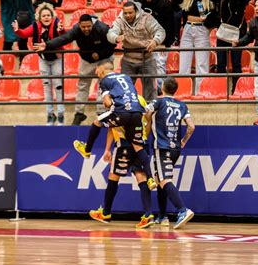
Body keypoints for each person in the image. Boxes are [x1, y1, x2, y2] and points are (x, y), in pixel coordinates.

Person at [73, 59, 157, 190]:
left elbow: (107, 102)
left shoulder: (105, 81)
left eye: (97, 69)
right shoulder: (126, 76)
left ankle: (87, 150)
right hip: (136, 112)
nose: (96, 72)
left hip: (121, 112)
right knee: (138, 146)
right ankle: (151, 178)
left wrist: (110, 103)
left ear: (103, 69)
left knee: (97, 122)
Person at [33, 14, 116, 125]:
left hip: (104, 59)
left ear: (92, 23)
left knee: (103, 86)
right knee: (82, 85)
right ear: (79, 25)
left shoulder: (102, 28)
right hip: (87, 59)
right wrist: (47, 45)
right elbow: (64, 38)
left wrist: (100, 54)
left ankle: (101, 113)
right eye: (83, 27)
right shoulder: (76, 29)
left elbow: (112, 44)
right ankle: (79, 113)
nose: (86, 29)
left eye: (88, 26)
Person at [89, 95, 155, 229]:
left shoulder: (116, 100)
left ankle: (106, 213)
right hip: (140, 142)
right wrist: (143, 137)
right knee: (141, 176)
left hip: (124, 143)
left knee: (114, 175)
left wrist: (107, 149)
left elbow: (111, 127)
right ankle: (148, 214)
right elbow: (148, 119)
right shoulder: (140, 99)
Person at [145, 77, 195, 229]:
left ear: (163, 88)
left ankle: (182, 210)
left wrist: (148, 123)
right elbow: (191, 126)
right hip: (175, 149)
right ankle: (162, 216)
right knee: (161, 180)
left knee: (164, 180)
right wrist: (184, 141)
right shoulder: (182, 105)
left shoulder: (158, 102)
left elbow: (145, 110)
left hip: (162, 147)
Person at [13, 2, 66, 125]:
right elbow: (24, 33)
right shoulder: (35, 26)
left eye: (48, 15)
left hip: (57, 59)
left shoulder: (57, 24)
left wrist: (62, 30)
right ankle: (50, 114)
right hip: (43, 60)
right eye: (44, 16)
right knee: (47, 87)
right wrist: (17, 30)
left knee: (58, 87)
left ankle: (61, 115)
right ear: (39, 17)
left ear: (52, 16)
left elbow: (64, 34)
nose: (46, 17)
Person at [107, 1, 165, 102]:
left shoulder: (146, 18)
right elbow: (110, 33)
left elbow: (160, 31)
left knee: (150, 90)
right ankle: (127, 112)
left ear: (136, 11)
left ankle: (149, 114)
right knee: (124, 90)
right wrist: (116, 38)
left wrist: (155, 41)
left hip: (147, 59)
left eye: (130, 13)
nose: (128, 15)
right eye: (125, 13)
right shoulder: (119, 20)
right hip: (128, 60)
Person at [209, 0, 251, 93]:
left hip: (238, 33)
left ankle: (236, 90)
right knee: (221, 64)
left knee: (237, 64)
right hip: (223, 33)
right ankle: (222, 90)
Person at [177, 0, 217, 93]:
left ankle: (201, 92)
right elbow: (175, 8)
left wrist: (206, 25)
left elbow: (214, 18)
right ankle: (183, 91)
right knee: (184, 63)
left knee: (202, 64)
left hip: (202, 30)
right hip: (188, 28)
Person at [135, 0, 175, 94]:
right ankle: (147, 93)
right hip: (142, 42)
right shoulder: (137, 2)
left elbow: (170, 26)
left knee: (159, 66)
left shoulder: (165, 3)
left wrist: (164, 43)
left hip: (160, 42)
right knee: (143, 68)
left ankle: (160, 92)